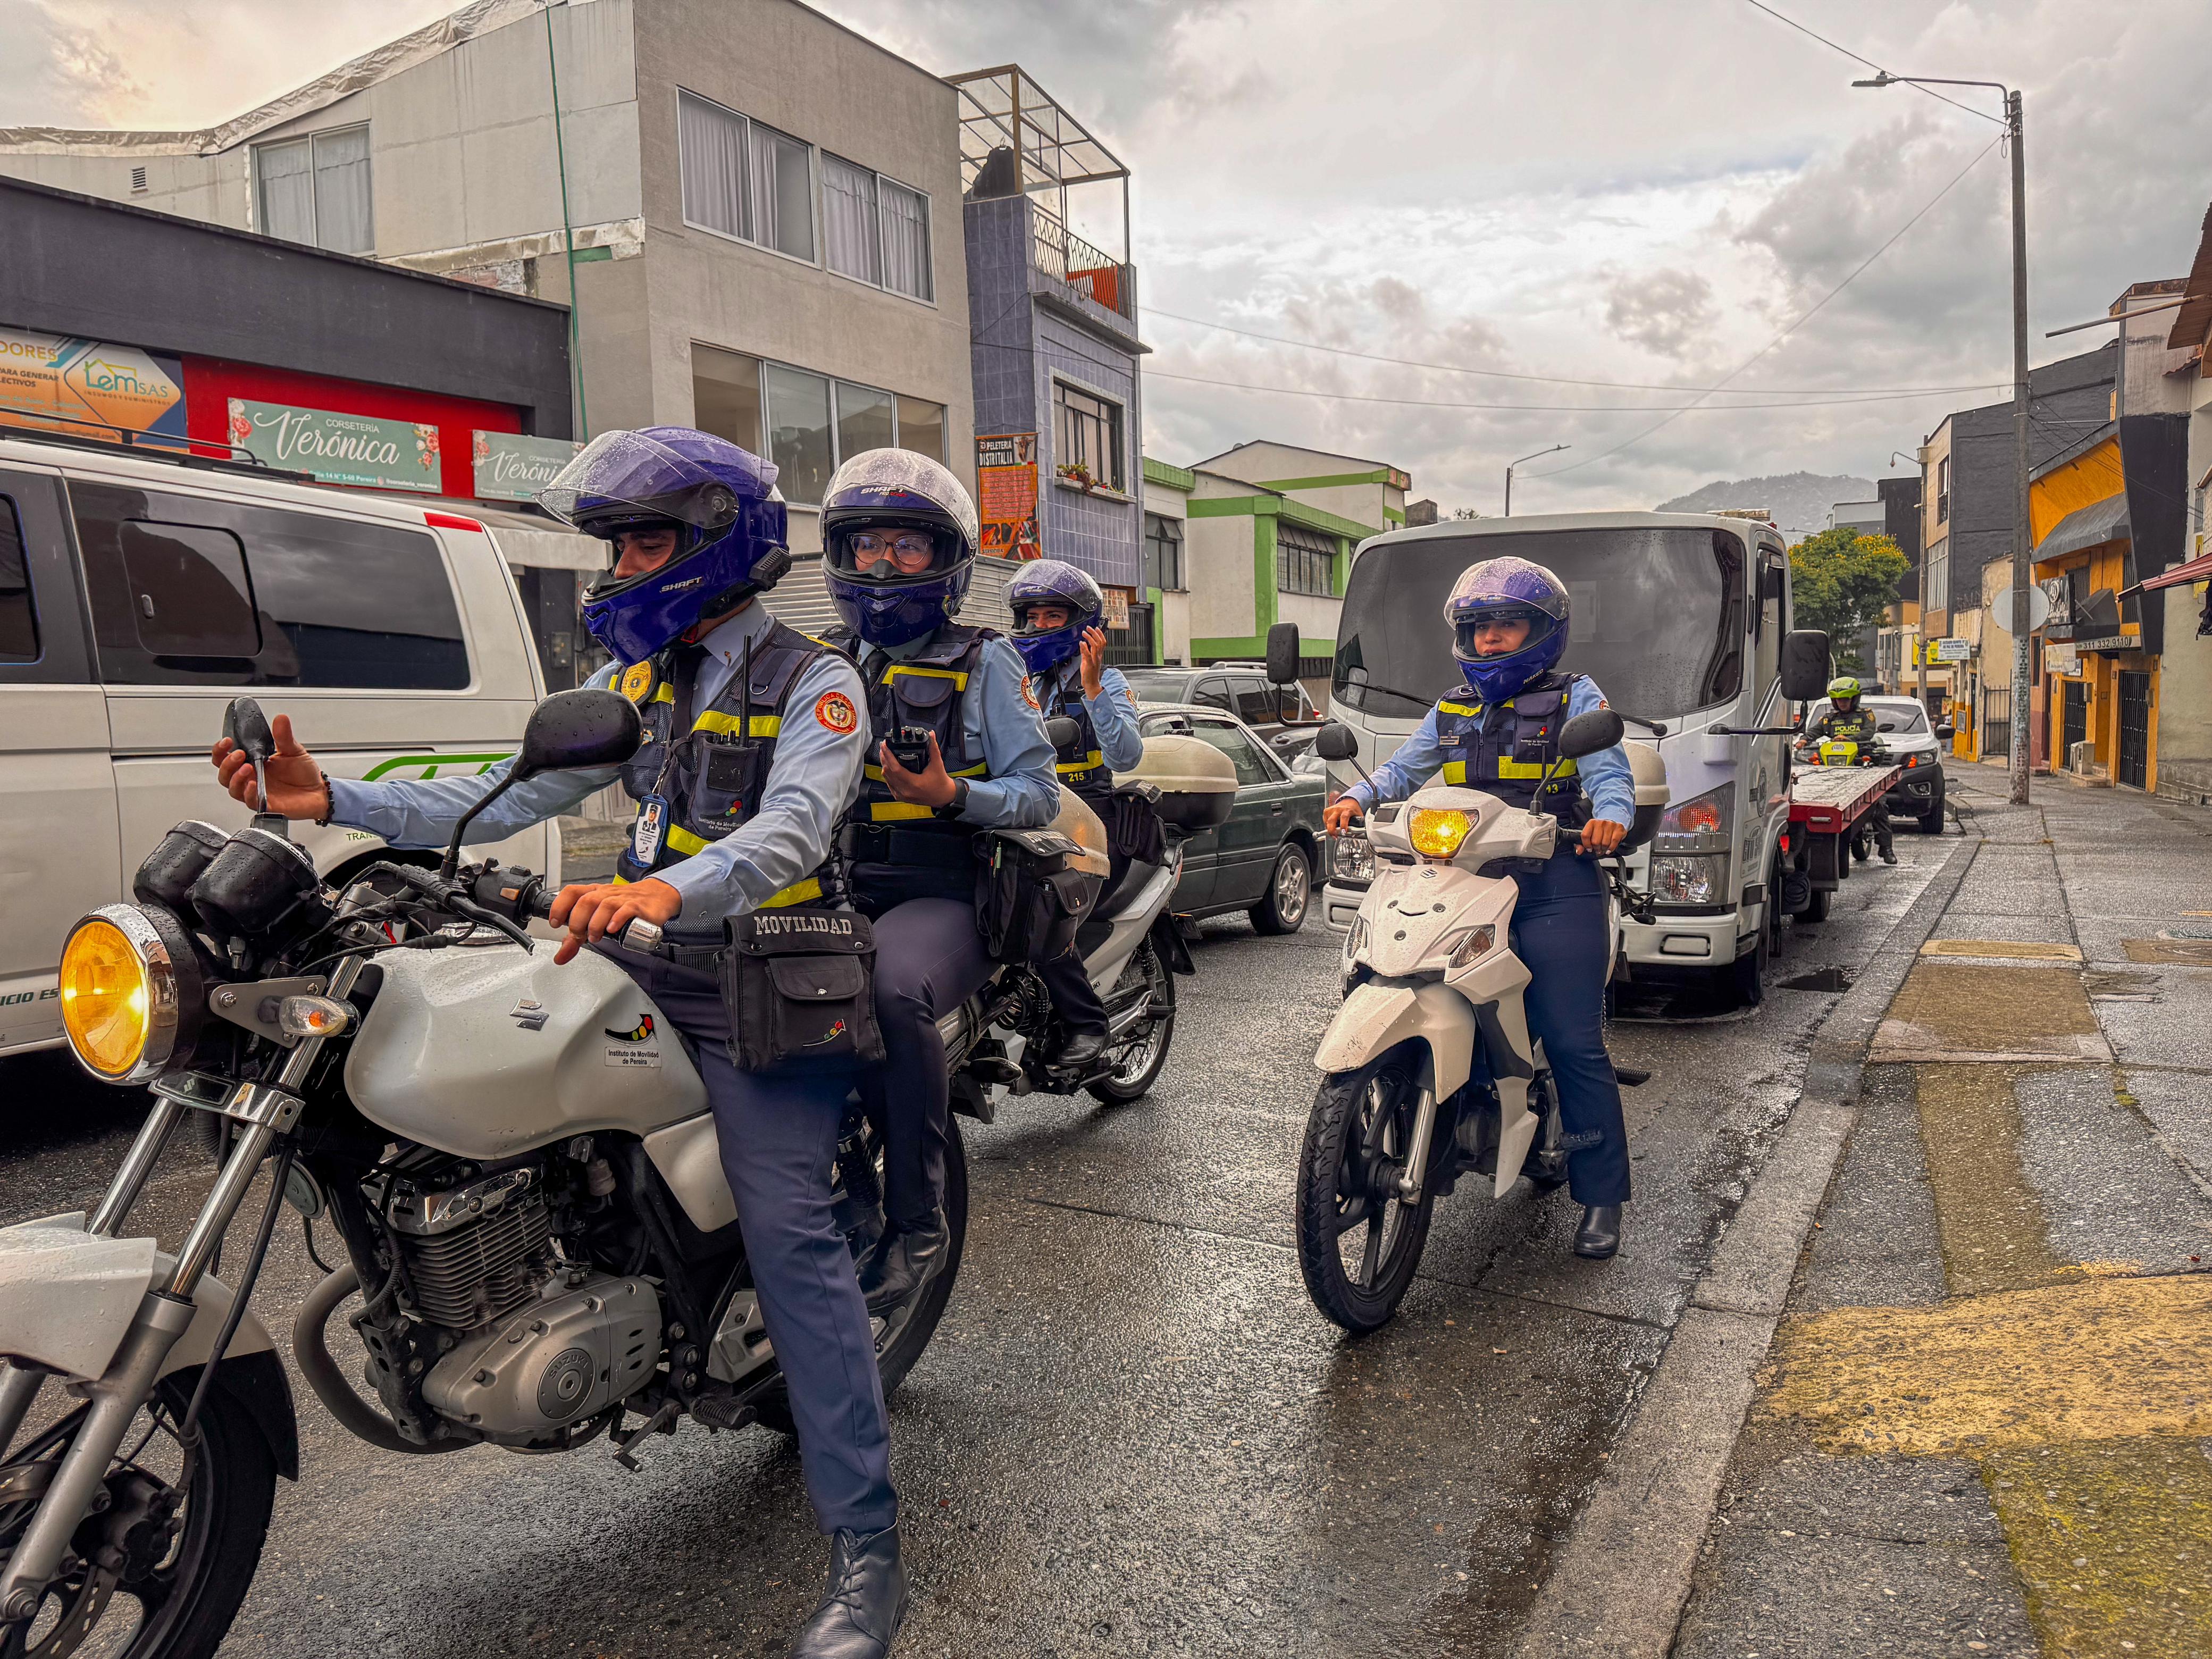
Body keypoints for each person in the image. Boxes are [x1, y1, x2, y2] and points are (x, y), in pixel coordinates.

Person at [211, 428, 908, 1659]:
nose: (623, 567)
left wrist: (664, 890)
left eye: (646, 541)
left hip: (767, 986)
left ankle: (866, 1550)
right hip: (642, 960)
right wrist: (333, 801)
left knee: (793, 1234)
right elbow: (502, 789)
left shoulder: (818, 680)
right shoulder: (642, 682)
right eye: (617, 544)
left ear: (716, 546)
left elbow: (795, 828)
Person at [1320, 555, 1638, 1261]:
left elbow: (1609, 774)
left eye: (1506, 627)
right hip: (1464, 875)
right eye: (1478, 629)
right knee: (1400, 975)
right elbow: (1404, 767)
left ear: (1542, 632)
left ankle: (1602, 1196)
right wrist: (1357, 797)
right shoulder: (1453, 705)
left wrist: (1610, 817)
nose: (1490, 642)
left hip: (1555, 880)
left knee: (1571, 1038)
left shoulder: (1574, 698)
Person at [817, 449, 1058, 1316]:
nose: (882, 565)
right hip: (834, 887)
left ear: (944, 561)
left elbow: (1039, 796)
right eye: (867, 545)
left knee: (888, 989)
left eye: (906, 548)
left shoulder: (986, 663)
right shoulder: (819, 662)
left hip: (945, 890)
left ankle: (919, 1221)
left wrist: (951, 794)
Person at [1006, 559, 1146, 1066]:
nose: (1040, 626)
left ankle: (1089, 1023)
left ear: (1085, 623)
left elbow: (1127, 755)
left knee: (1042, 906)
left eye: (1052, 615)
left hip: (1092, 826)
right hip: (1035, 818)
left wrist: (1091, 688)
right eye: (1033, 616)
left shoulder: (1108, 681)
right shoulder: (1025, 683)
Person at [1799, 675, 1896, 864]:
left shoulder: (1865, 715)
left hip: (1860, 765)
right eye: (1839, 700)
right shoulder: (1828, 719)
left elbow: (1869, 732)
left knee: (1878, 804)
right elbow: (1815, 731)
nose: (1842, 703)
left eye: (1846, 699)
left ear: (1854, 699)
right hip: (1832, 771)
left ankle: (1887, 848)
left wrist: (1850, 739)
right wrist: (1804, 740)